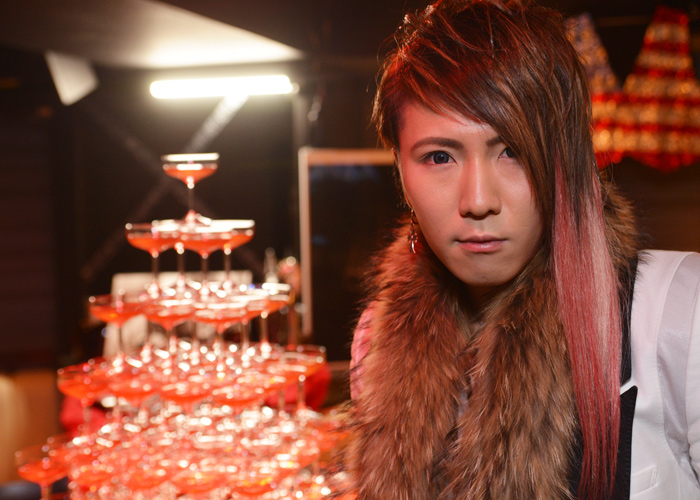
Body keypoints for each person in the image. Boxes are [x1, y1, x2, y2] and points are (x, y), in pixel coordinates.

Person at [344, 1, 700, 499]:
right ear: (399, 169)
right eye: (439, 156)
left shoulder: (679, 313)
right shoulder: (378, 343)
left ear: (565, 159)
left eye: (512, 151)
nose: (478, 201)